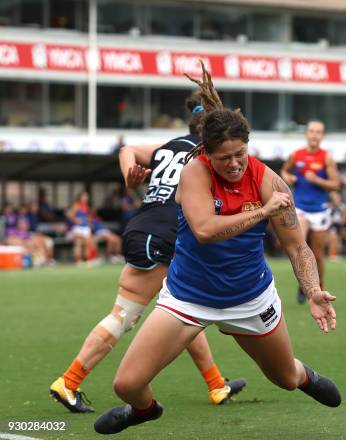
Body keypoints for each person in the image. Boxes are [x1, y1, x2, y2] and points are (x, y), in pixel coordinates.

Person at [94, 66, 340, 435]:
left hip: (249, 297)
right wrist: (263, 211)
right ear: (208, 154)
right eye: (225, 157)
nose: (235, 163)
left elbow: (298, 247)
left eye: (240, 153)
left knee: (285, 378)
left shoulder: (268, 179)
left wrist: (313, 289)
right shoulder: (195, 172)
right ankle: (145, 411)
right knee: (127, 386)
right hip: (188, 296)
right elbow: (205, 231)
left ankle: (305, 376)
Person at [50, 94, 246, 414]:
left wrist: (130, 173)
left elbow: (128, 150)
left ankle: (216, 385)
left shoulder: (169, 147)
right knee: (125, 316)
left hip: (143, 227)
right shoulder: (207, 155)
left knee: (182, 308)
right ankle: (69, 381)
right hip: (165, 236)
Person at [280, 120, 340, 303]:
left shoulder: (326, 158)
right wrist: (288, 177)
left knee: (318, 253)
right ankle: (304, 284)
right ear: (307, 134)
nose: (314, 135)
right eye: (312, 131)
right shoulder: (296, 155)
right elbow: (284, 170)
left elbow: (335, 184)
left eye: (318, 132)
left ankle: (319, 286)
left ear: (322, 136)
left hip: (320, 210)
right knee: (301, 248)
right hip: (301, 208)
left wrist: (317, 180)